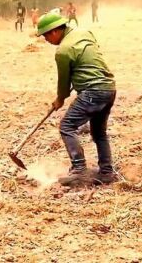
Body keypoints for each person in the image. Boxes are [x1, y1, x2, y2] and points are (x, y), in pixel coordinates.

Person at [36, 10, 117, 186]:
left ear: (55, 31)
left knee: (66, 126)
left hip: (92, 91)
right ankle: (106, 172)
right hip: (109, 88)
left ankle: (79, 170)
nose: (46, 40)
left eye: (46, 36)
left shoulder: (63, 51)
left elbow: (63, 82)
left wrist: (60, 99)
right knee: (99, 132)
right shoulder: (84, 33)